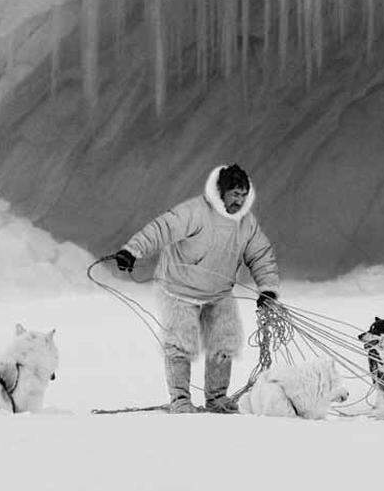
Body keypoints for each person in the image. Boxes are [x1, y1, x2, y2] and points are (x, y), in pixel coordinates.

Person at [112, 163, 279, 413]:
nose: (239, 201)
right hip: (178, 290)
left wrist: (267, 288)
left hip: (219, 293)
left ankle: (217, 398)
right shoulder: (194, 212)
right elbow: (161, 229)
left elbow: (260, 254)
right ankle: (180, 400)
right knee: (180, 344)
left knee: (224, 342)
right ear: (221, 192)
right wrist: (131, 251)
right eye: (235, 194)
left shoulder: (246, 223)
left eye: (243, 196)